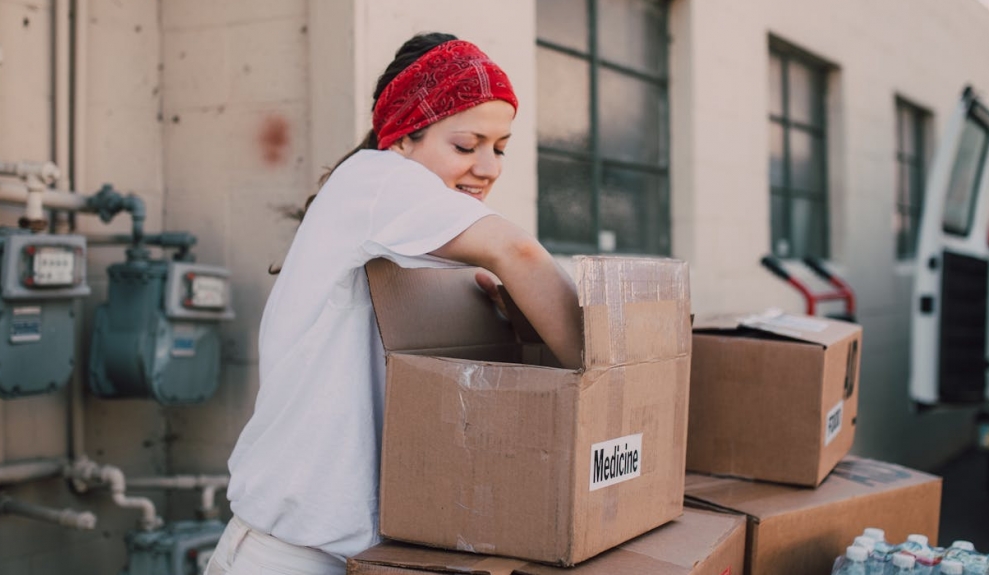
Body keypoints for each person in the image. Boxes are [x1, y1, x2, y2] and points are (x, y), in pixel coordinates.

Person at [205, 33, 583, 575]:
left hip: (371, 557)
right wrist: (610, 390)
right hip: (289, 555)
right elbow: (519, 251)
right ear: (403, 138)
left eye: (500, 148)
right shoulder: (377, 179)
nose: (490, 167)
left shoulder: (426, 238)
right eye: (466, 145)